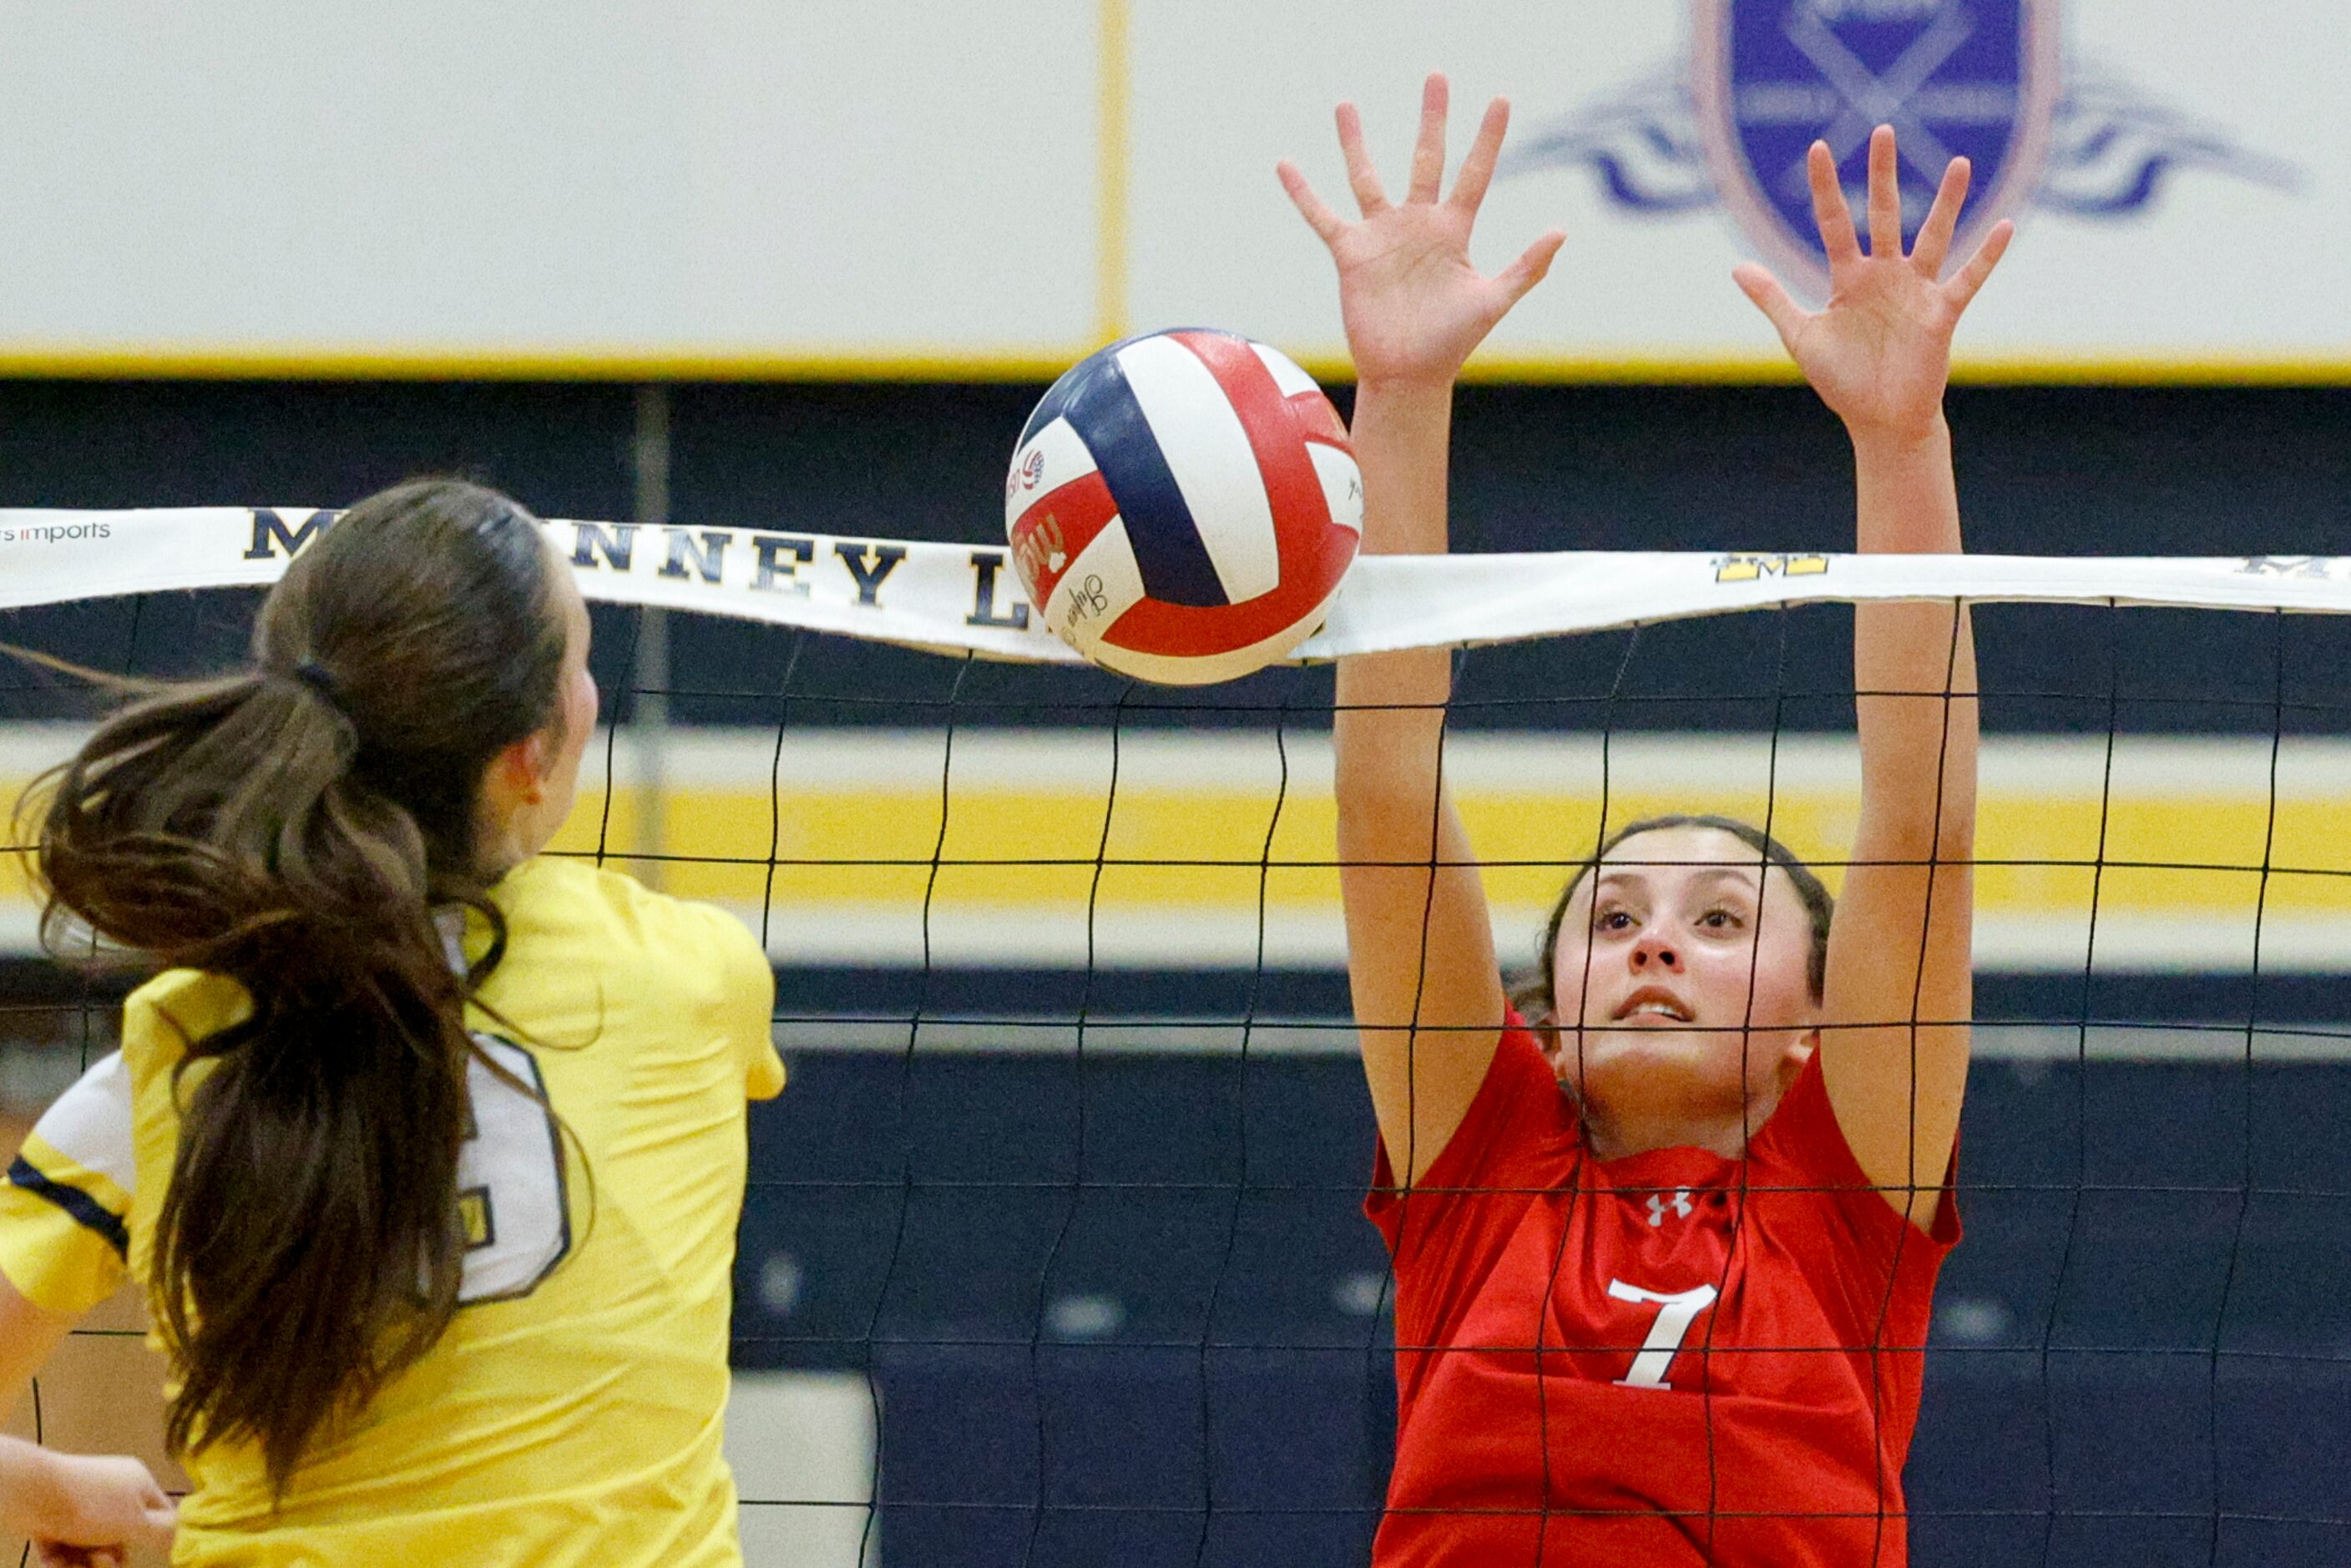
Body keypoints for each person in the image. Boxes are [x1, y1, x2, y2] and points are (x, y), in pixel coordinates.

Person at [1280, 76, 2009, 1565]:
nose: (1653, 943)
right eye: (1612, 920)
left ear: (1821, 1022)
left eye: (1721, 919)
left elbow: (1920, 824)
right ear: (1544, 1020)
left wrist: (1901, 440)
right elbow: (1384, 796)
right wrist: (1402, 397)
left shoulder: (1841, 1196)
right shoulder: (1484, 1170)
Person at [0, 479, 784, 1565]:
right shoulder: (698, 980)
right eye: (581, 663)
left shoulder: (176, 1046)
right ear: (531, 754)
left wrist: (60, 1493)